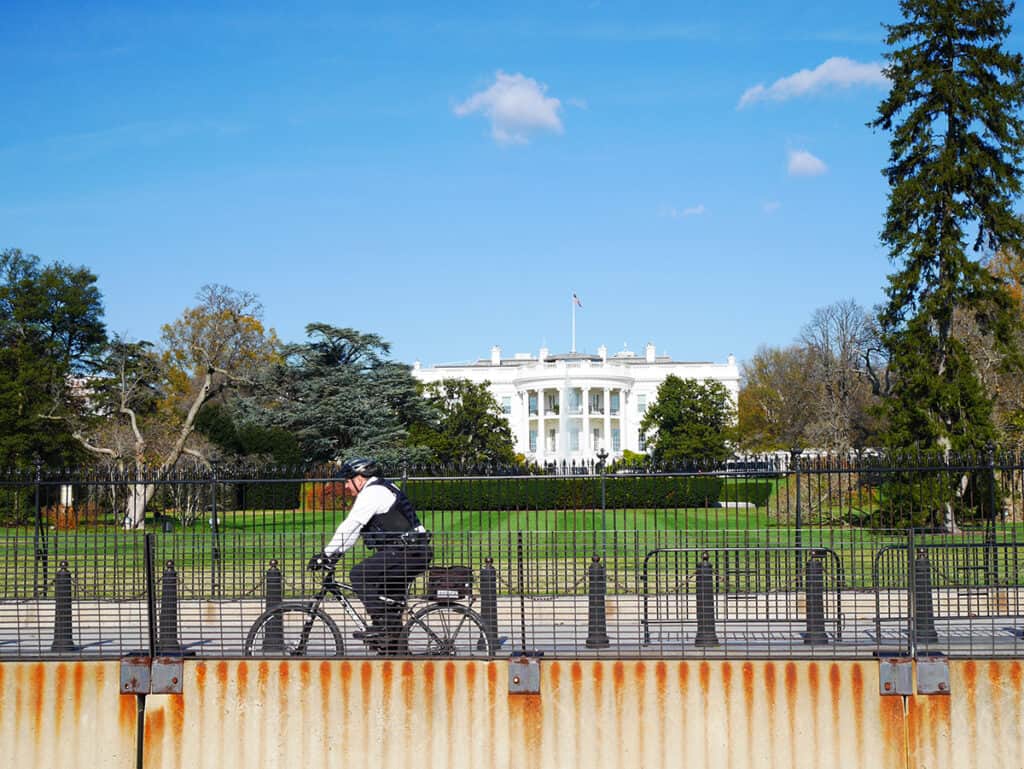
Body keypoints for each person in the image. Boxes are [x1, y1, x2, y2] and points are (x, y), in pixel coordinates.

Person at [308, 457, 432, 654]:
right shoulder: (382, 488)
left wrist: (325, 554)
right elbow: (354, 532)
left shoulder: (373, 492)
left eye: (348, 481)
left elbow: (351, 525)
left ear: (359, 478)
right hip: (410, 551)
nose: (347, 487)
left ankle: (384, 630)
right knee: (388, 600)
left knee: (359, 574)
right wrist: (336, 553)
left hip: (406, 551)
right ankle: (394, 649)